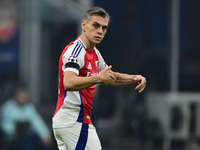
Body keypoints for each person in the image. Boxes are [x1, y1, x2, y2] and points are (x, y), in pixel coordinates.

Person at [52, 6, 147, 150]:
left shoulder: (94, 53)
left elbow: (109, 77)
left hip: (76, 121)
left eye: (104, 28)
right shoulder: (75, 51)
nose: (100, 31)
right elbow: (69, 82)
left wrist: (133, 78)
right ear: (84, 25)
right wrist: (97, 78)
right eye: (95, 25)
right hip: (73, 121)